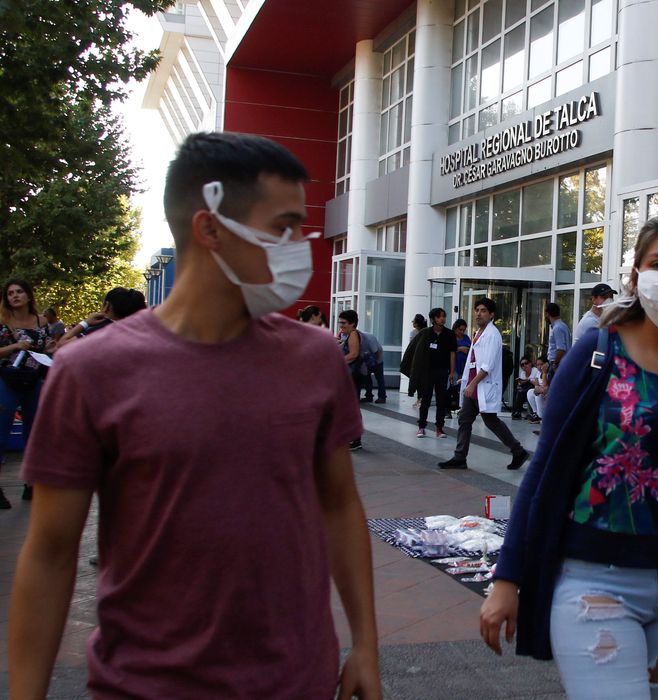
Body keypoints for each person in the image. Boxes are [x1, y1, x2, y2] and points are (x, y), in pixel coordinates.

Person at [9, 132, 380, 698]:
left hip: (298, 678)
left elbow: (339, 505)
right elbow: (51, 554)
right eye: (281, 228)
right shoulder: (90, 372)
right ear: (210, 229)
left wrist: (366, 645)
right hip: (145, 683)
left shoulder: (313, 359)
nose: (298, 247)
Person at [479, 213, 658, 697]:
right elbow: (545, 469)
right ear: (635, 277)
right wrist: (508, 578)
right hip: (594, 582)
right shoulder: (597, 350)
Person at [438, 298, 530, 471]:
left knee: (491, 421)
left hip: (482, 385)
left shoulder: (492, 334)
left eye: (483, 311)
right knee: (465, 418)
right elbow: (473, 361)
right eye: (477, 310)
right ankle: (460, 457)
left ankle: (518, 450)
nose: (479, 313)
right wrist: (465, 379)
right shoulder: (478, 333)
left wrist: (472, 383)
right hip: (473, 385)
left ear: (491, 314)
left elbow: (487, 365)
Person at [0, 279, 53, 508]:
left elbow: (46, 347)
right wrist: (14, 347)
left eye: (19, 291)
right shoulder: (2, 321)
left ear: (29, 296)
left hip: (34, 381)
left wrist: (52, 348)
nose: (15, 296)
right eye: (10, 293)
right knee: (1, 431)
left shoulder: (41, 321)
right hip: (7, 381)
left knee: (34, 433)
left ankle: (31, 484)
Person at [401, 307, 457, 438]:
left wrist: (452, 371)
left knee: (441, 400)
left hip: (442, 371)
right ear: (433, 319)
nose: (442, 319)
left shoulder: (449, 334)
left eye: (443, 316)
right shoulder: (426, 333)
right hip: (427, 371)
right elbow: (415, 351)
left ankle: (439, 428)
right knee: (425, 399)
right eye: (439, 317)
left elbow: (452, 353)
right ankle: (421, 427)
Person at [56, 288, 148, 348]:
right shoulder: (140, 333)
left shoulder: (101, 330)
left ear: (107, 306)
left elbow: (61, 345)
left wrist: (85, 323)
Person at [337, 309, 367, 451]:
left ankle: (355, 438)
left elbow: (353, 354)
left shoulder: (353, 334)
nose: (340, 325)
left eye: (343, 323)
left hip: (354, 375)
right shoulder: (350, 335)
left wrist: (338, 361)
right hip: (352, 375)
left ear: (352, 323)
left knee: (352, 406)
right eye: (340, 322)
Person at [450, 318, 472, 419]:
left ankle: (461, 408)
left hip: (464, 367)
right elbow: (447, 349)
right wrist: (459, 349)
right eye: (460, 330)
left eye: (464, 330)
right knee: (451, 388)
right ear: (455, 329)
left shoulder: (466, 338)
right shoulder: (450, 337)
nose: (462, 332)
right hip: (453, 367)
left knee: (461, 388)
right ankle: (448, 409)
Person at [359, 326, 386, 403]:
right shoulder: (353, 337)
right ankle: (369, 396)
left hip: (377, 358)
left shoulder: (369, 339)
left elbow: (376, 352)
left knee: (379, 378)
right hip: (367, 358)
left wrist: (375, 363)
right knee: (367, 378)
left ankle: (382, 396)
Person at [545, 302, 571, 379]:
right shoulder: (563, 326)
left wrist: (555, 364)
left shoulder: (557, 328)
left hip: (557, 364)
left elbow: (561, 349)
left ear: (547, 314)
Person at [526, 356, 549, 423]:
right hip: (541, 394)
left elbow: (545, 387)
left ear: (546, 364)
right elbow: (536, 386)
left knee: (539, 393)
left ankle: (540, 416)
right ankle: (536, 413)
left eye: (541, 364)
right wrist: (538, 389)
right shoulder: (538, 373)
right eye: (537, 365)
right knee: (530, 392)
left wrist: (544, 373)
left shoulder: (548, 373)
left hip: (547, 396)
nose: (539, 367)